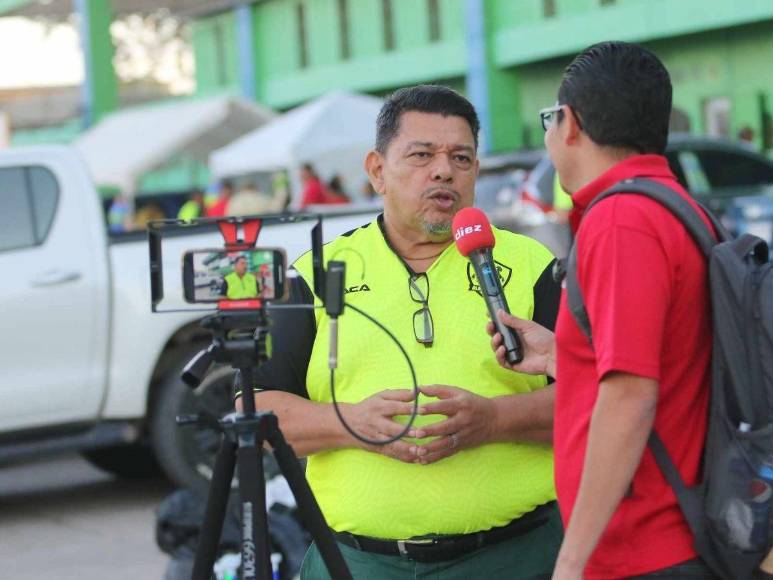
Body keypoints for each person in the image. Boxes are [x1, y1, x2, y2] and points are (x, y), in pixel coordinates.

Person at [236, 84, 563, 579]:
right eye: (421, 154)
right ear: (376, 171)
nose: (443, 170)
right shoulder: (316, 274)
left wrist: (494, 420)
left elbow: (593, 401)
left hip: (518, 557)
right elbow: (252, 408)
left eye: (461, 157)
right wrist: (352, 424)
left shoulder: (533, 266)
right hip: (356, 562)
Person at [489, 42, 716, 578]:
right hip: (680, 531)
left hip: (646, 546)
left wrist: (571, 560)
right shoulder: (679, 207)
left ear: (569, 124)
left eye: (550, 120)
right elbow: (674, 366)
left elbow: (631, 397)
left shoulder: (622, 222)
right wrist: (558, 358)